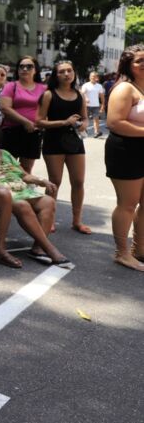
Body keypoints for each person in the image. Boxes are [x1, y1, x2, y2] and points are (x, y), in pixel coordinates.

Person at [0, 125, 73, 268]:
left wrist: (42, 181)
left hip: (21, 189)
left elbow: (23, 175)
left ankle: (37, 248)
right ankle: (50, 249)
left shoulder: (6, 154)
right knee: (23, 205)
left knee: (48, 202)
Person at [37, 60, 91, 235]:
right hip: (53, 141)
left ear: (74, 73)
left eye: (69, 70)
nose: (66, 74)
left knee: (78, 181)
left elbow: (85, 117)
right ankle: (48, 219)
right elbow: (38, 121)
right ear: (56, 75)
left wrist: (83, 124)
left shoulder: (79, 94)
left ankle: (77, 221)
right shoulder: (49, 95)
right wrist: (64, 122)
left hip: (75, 141)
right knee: (55, 181)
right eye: (62, 72)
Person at [104, 45, 144, 271]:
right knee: (128, 204)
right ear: (128, 64)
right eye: (139, 61)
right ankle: (122, 253)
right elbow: (115, 123)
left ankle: (140, 249)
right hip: (126, 151)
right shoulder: (124, 89)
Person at [0, 56, 46, 173]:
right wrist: (25, 122)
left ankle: (24, 191)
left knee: (26, 169)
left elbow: (48, 109)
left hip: (33, 133)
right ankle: (7, 191)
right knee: (8, 168)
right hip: (11, 131)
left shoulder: (44, 88)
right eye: (21, 66)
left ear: (35, 70)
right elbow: (5, 108)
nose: (25, 69)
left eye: (29, 67)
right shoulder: (10, 86)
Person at [81, 72, 106, 137]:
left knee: (96, 119)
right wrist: (86, 98)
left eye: (95, 76)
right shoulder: (85, 85)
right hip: (86, 105)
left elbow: (102, 96)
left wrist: (103, 105)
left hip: (96, 105)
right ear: (89, 77)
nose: (93, 78)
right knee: (85, 119)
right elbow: (82, 93)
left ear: (97, 78)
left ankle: (96, 132)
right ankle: (84, 131)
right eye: (92, 76)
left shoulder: (99, 86)